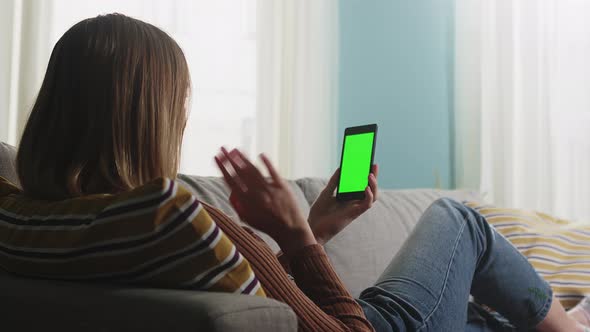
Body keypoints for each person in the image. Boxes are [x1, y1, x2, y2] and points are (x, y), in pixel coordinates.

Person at [5, 13, 590, 331]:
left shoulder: (24, 214)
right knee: (461, 221)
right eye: (181, 103)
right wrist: (295, 234)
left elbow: (264, 308)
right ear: (150, 117)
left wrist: (317, 225)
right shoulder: (174, 215)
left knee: (473, 314)